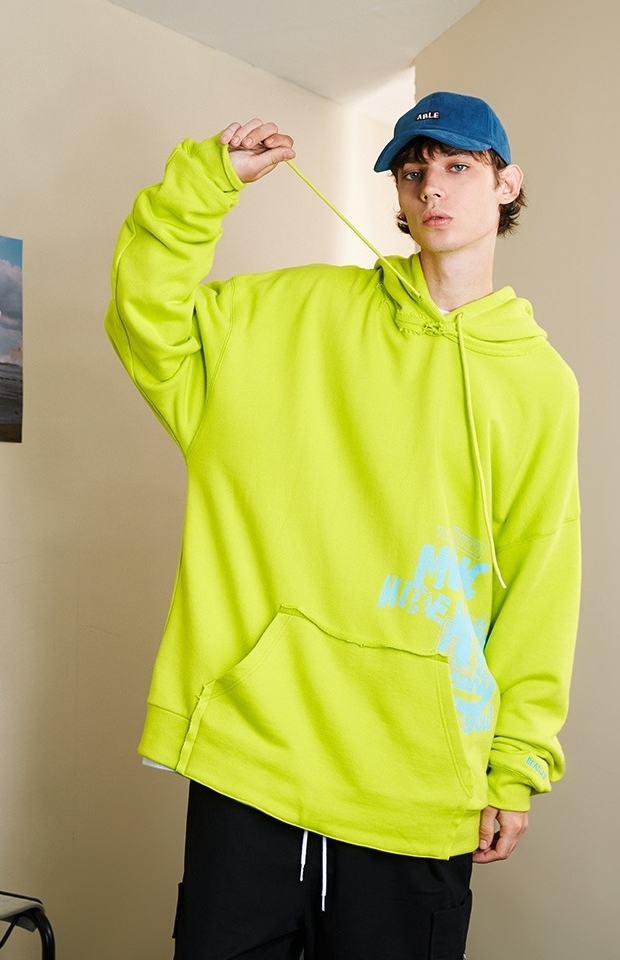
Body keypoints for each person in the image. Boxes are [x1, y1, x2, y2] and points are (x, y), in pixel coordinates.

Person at [106, 91, 581, 960]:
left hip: (418, 779)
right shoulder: (300, 312)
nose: (432, 187)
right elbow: (150, 317)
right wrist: (205, 184)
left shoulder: (540, 384)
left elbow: (541, 579)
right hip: (256, 754)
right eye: (413, 171)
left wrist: (516, 762)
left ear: (506, 184)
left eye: (458, 166)